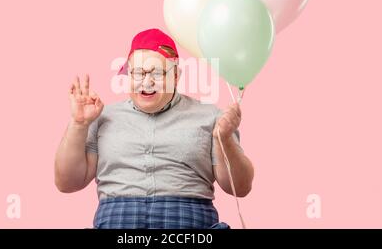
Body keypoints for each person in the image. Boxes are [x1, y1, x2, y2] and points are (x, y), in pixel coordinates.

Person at [54, 28, 254, 229]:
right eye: (138, 73)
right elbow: (67, 183)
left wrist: (225, 139)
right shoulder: (100, 116)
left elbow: (241, 187)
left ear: (176, 75)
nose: (147, 81)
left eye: (157, 73)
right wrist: (78, 124)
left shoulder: (212, 117)